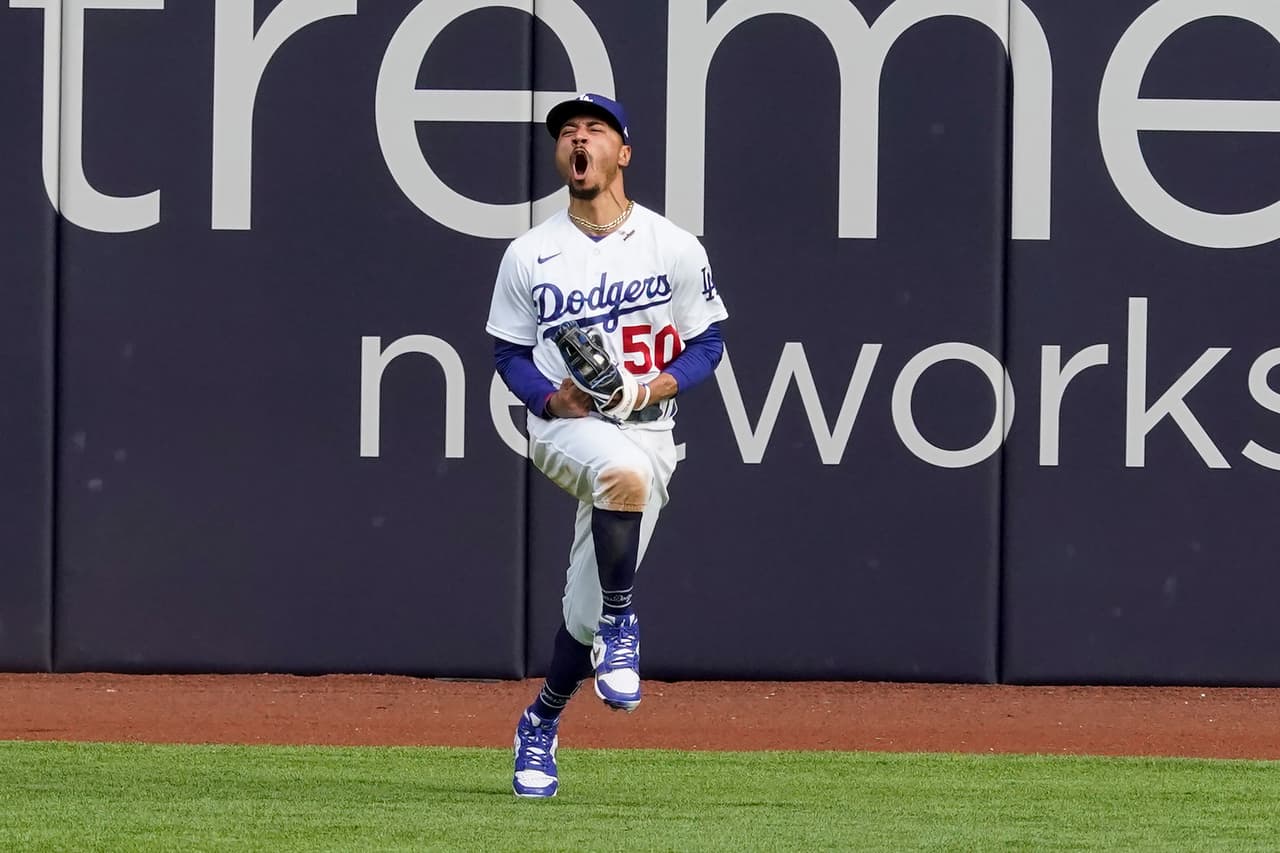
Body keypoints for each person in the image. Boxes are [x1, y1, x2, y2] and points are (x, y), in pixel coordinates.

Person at [485, 93, 728, 798]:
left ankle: (540, 720)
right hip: (568, 427)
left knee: (580, 612)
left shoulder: (673, 245)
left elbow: (707, 341)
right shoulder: (530, 252)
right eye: (567, 132)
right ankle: (625, 622)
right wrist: (545, 396)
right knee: (619, 474)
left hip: (648, 428)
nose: (577, 139)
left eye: (593, 129)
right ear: (561, 157)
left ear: (622, 152)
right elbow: (508, 351)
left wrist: (649, 389)